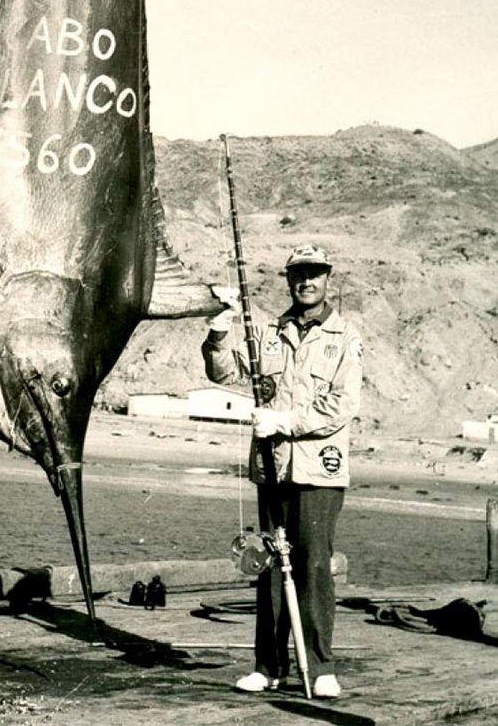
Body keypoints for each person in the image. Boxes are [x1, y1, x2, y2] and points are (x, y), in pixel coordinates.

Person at [203, 244, 363, 700]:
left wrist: (284, 421)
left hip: (319, 471)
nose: (306, 281)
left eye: (315, 273)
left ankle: (321, 666)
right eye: (298, 274)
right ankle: (268, 667)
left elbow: (343, 404)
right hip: (272, 468)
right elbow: (223, 372)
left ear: (328, 279)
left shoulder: (346, 337)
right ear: (289, 280)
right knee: (269, 564)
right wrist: (219, 330)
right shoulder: (268, 333)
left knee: (313, 565)